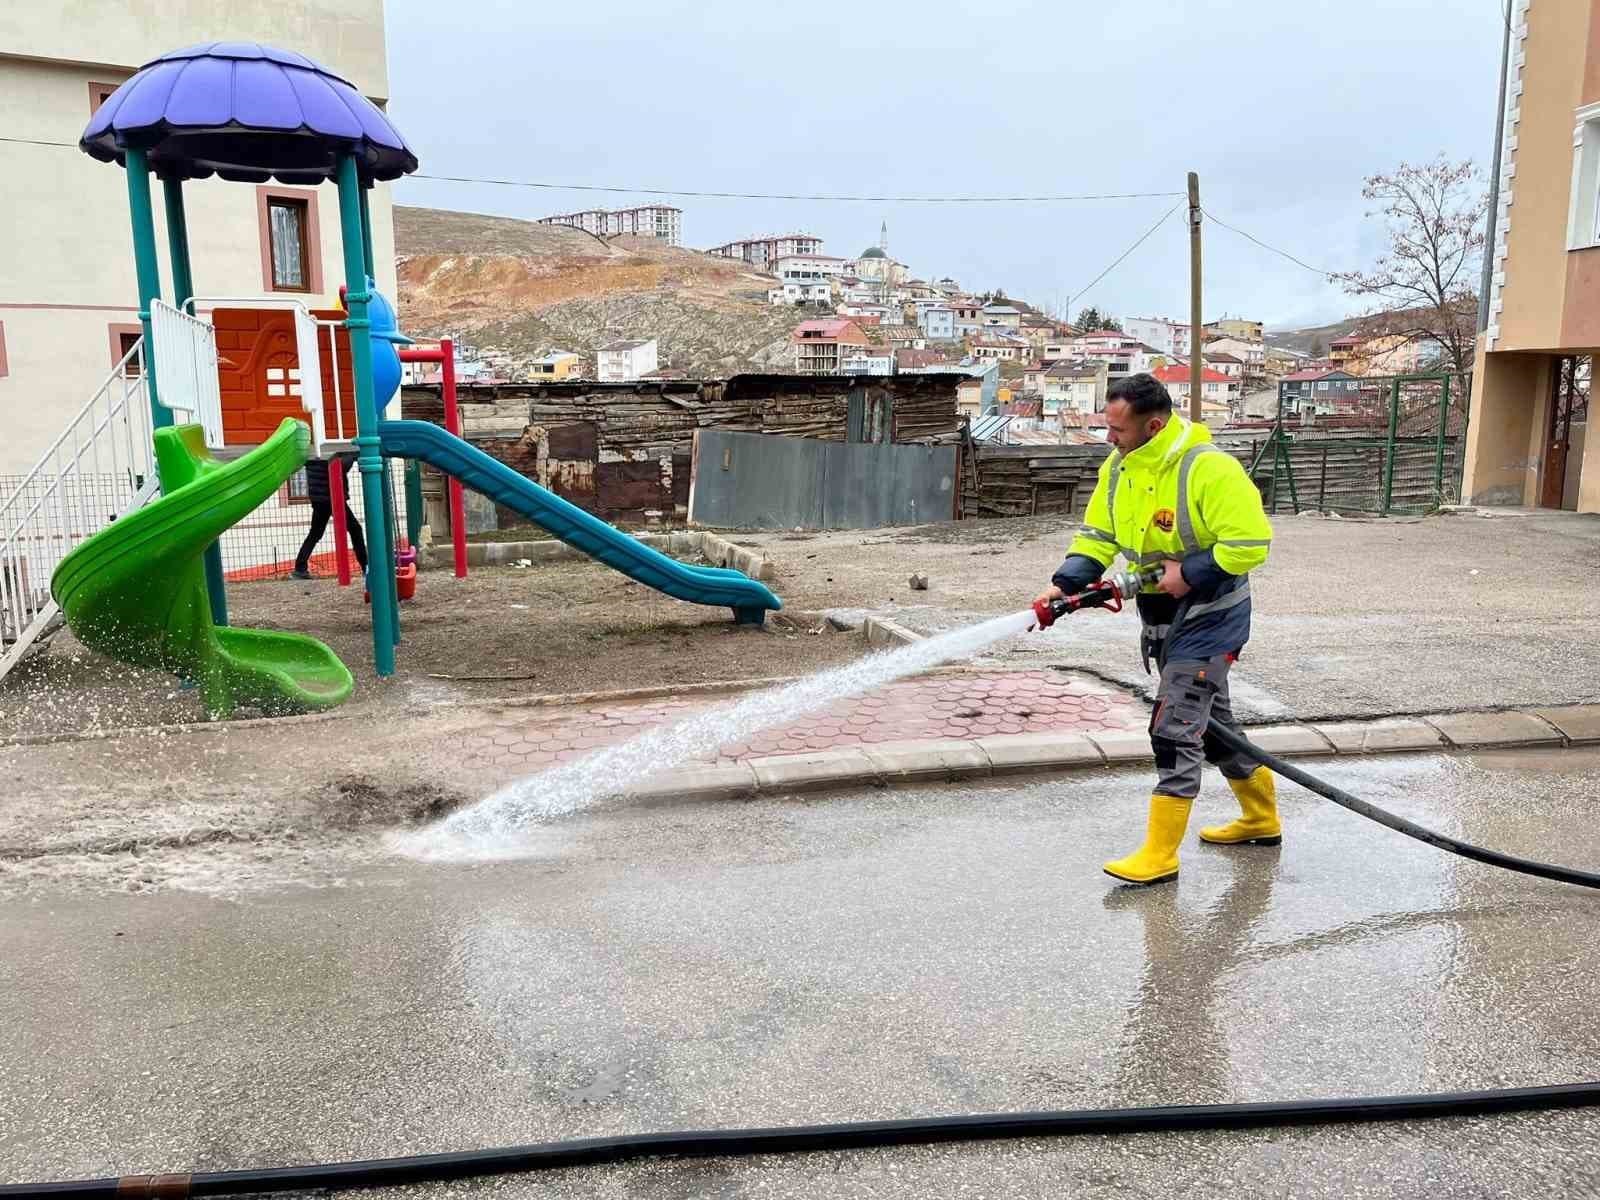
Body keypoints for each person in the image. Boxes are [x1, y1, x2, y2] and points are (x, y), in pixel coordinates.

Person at [1035, 373, 1274, 885]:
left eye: (1117, 429)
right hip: (1162, 616)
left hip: (1213, 618)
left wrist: (1187, 573)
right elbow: (1098, 535)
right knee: (1216, 727)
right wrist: (1067, 584)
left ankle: (1160, 855)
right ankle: (1261, 818)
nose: (1108, 438)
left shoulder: (1208, 469)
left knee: (1175, 726)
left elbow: (1250, 543)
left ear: (1154, 425)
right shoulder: (1119, 468)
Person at [291, 453, 368, 581]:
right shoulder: (328, 450)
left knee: (315, 533)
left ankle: (300, 568)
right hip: (332, 497)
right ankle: (366, 567)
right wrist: (353, 455)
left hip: (319, 498)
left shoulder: (311, 452)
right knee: (355, 529)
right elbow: (341, 466)